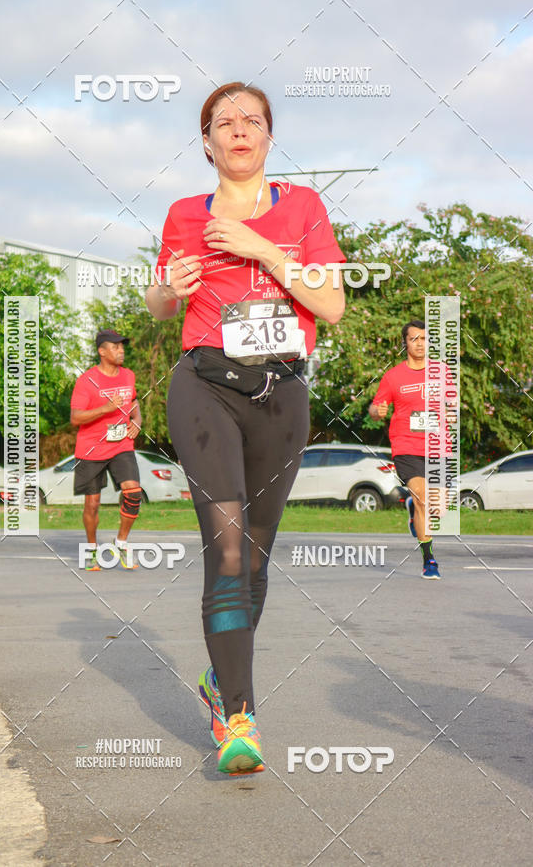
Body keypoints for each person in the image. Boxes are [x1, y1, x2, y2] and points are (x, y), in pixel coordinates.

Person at [146, 82, 345, 774]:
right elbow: (159, 306)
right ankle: (240, 716)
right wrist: (171, 285)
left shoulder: (303, 207)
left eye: (250, 120)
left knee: (255, 560)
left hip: (281, 392)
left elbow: (332, 304)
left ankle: (216, 678)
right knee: (226, 550)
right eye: (222, 121)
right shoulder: (182, 212)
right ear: (205, 141)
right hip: (204, 385)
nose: (237, 129)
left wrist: (264, 249)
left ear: (267, 137)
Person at [369, 319, 454, 579]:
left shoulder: (442, 372)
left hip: (438, 445)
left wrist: (450, 414)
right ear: (405, 342)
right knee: (422, 499)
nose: (420, 343)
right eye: (414, 338)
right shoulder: (393, 376)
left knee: (438, 509)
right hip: (406, 444)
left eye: (424, 338)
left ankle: (410, 507)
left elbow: (451, 403)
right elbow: (375, 408)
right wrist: (377, 411)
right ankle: (429, 561)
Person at [70, 330, 143, 570]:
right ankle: (91, 549)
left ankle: (121, 542)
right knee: (92, 504)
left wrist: (137, 421)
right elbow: (75, 418)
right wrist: (105, 408)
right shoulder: (86, 381)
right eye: (116, 347)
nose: (121, 351)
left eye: (122, 347)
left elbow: (133, 403)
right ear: (102, 351)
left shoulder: (128, 375)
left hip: (121, 444)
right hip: (91, 448)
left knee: (133, 493)